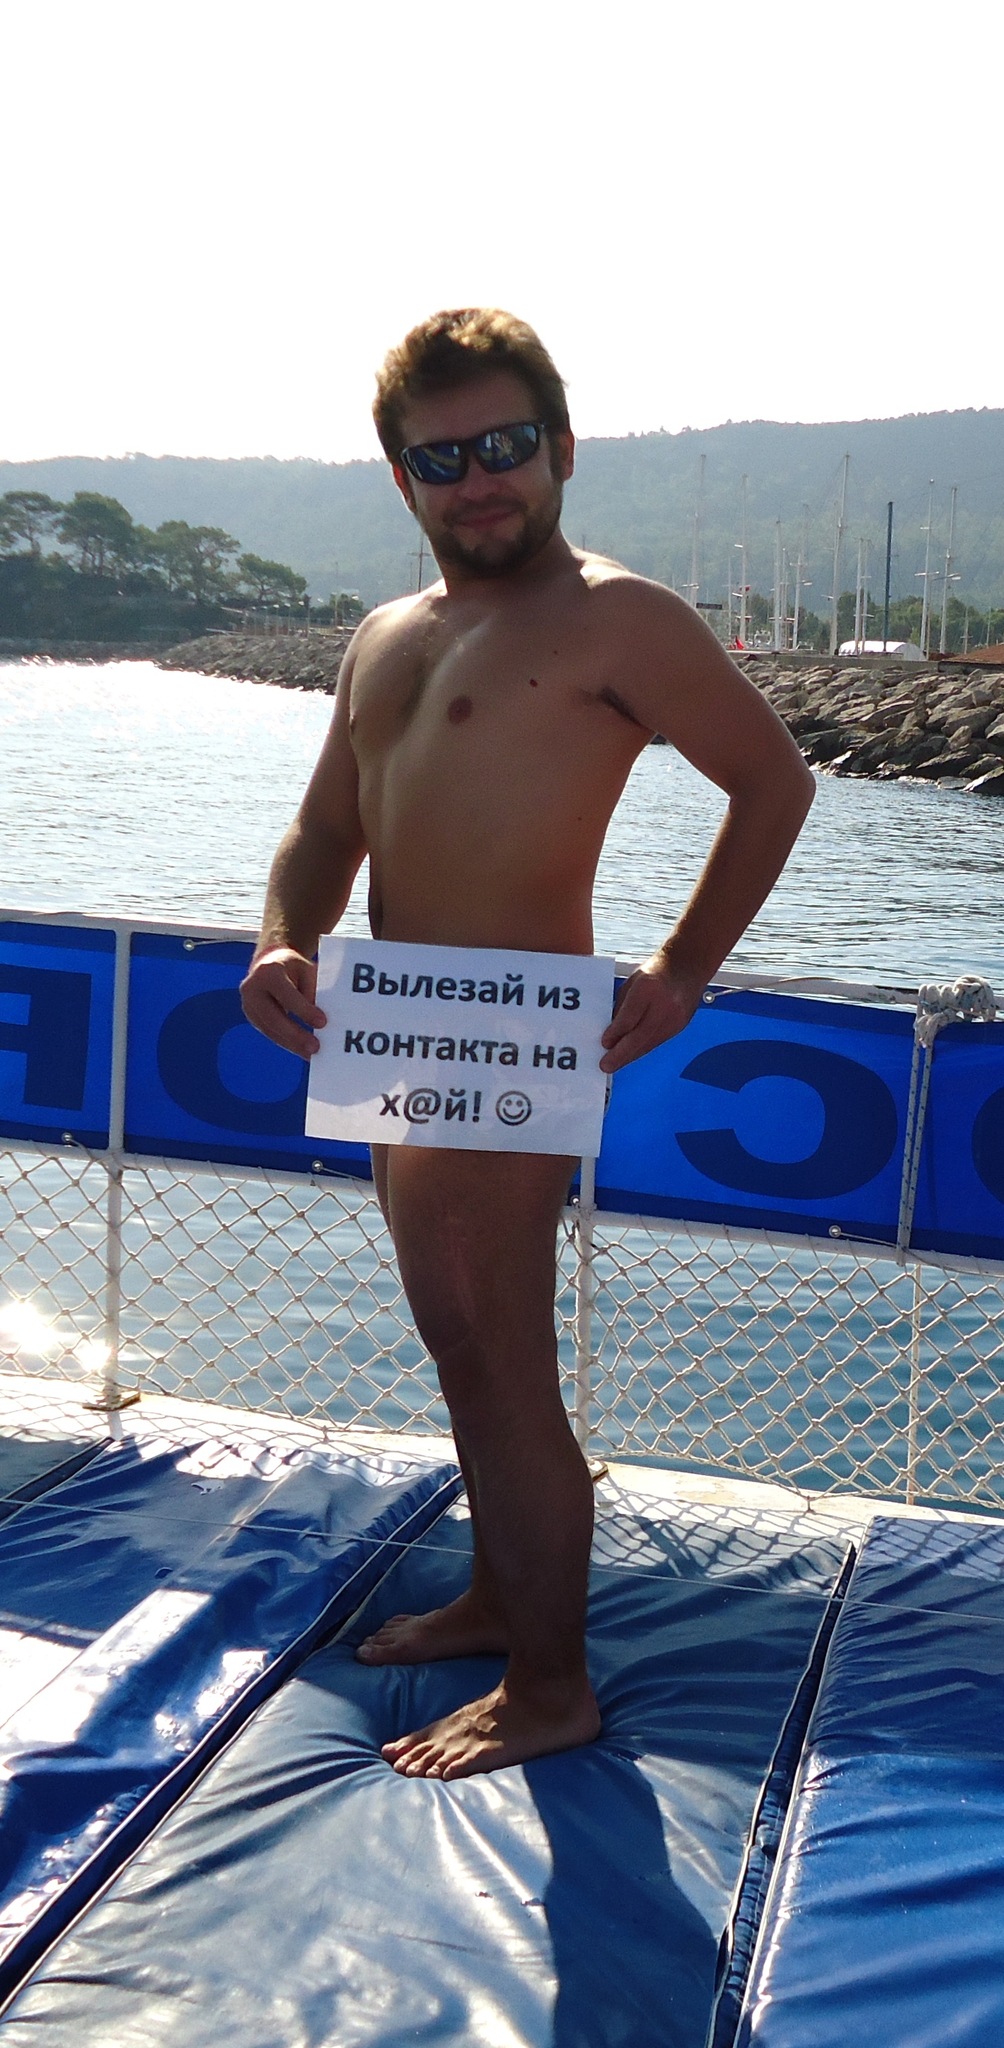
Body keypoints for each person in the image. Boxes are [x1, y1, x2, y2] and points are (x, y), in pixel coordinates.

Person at [240, 308, 815, 1782]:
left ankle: (551, 1684)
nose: (477, 479)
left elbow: (773, 782)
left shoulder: (621, 619)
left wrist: (684, 969)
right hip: (391, 1038)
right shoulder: (385, 636)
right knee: (461, 1347)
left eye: (503, 445)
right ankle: (504, 1594)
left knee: (504, 1367)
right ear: (403, 479)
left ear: (560, 448)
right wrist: (283, 938)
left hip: (511, 1042)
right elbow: (323, 831)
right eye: (441, 458)